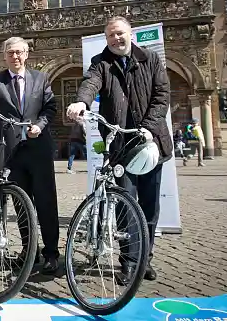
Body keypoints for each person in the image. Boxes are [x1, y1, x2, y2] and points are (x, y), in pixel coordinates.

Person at [66, 16, 171, 282]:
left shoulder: (151, 59)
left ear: (130, 34)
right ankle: (129, 262)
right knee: (125, 205)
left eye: (120, 33)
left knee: (149, 206)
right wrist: (81, 103)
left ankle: (145, 259)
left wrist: (148, 126)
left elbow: (162, 96)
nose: (116, 39)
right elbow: (90, 83)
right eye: (111, 35)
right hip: (121, 146)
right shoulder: (100, 63)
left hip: (149, 143)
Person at [0, 36, 60, 274]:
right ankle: (29, 252)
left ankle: (51, 254)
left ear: (26, 54)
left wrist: (40, 124)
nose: (15, 57)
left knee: (46, 202)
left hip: (38, 147)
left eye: (19, 52)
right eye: (10, 53)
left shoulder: (41, 78)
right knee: (20, 202)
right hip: (12, 149)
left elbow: (50, 107)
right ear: (4, 57)